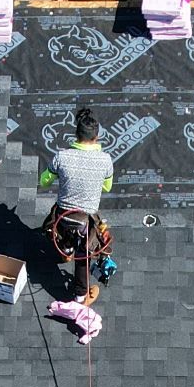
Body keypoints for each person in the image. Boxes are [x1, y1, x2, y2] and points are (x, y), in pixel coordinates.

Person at [45, 107, 115, 303]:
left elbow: (44, 182)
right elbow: (107, 187)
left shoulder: (62, 156)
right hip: (87, 222)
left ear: (76, 135)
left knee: (53, 228)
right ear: (97, 137)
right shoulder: (105, 160)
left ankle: (65, 250)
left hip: (62, 215)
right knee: (83, 256)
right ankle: (80, 297)